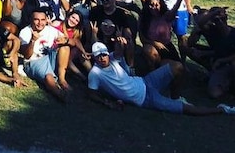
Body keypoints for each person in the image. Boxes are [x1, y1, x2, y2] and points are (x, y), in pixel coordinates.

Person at [87, 42, 234, 116]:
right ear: (94, 58)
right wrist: (106, 102)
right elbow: (91, 94)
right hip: (145, 99)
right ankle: (221, 110)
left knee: (177, 67)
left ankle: (175, 97)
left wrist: (119, 41)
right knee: (188, 110)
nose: (103, 58)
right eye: (98, 56)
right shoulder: (95, 74)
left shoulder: (112, 58)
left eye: (104, 54)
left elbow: (119, 50)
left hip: (145, 81)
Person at [19, 8, 71, 102]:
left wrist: (65, 40)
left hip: (49, 56)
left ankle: (62, 79)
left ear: (46, 20)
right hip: (34, 60)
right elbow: (27, 56)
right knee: (48, 77)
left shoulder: (50, 30)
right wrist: (33, 41)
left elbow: (70, 40)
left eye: (42, 20)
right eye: (36, 20)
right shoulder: (25, 32)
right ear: (31, 20)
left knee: (65, 48)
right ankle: (60, 94)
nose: (40, 23)